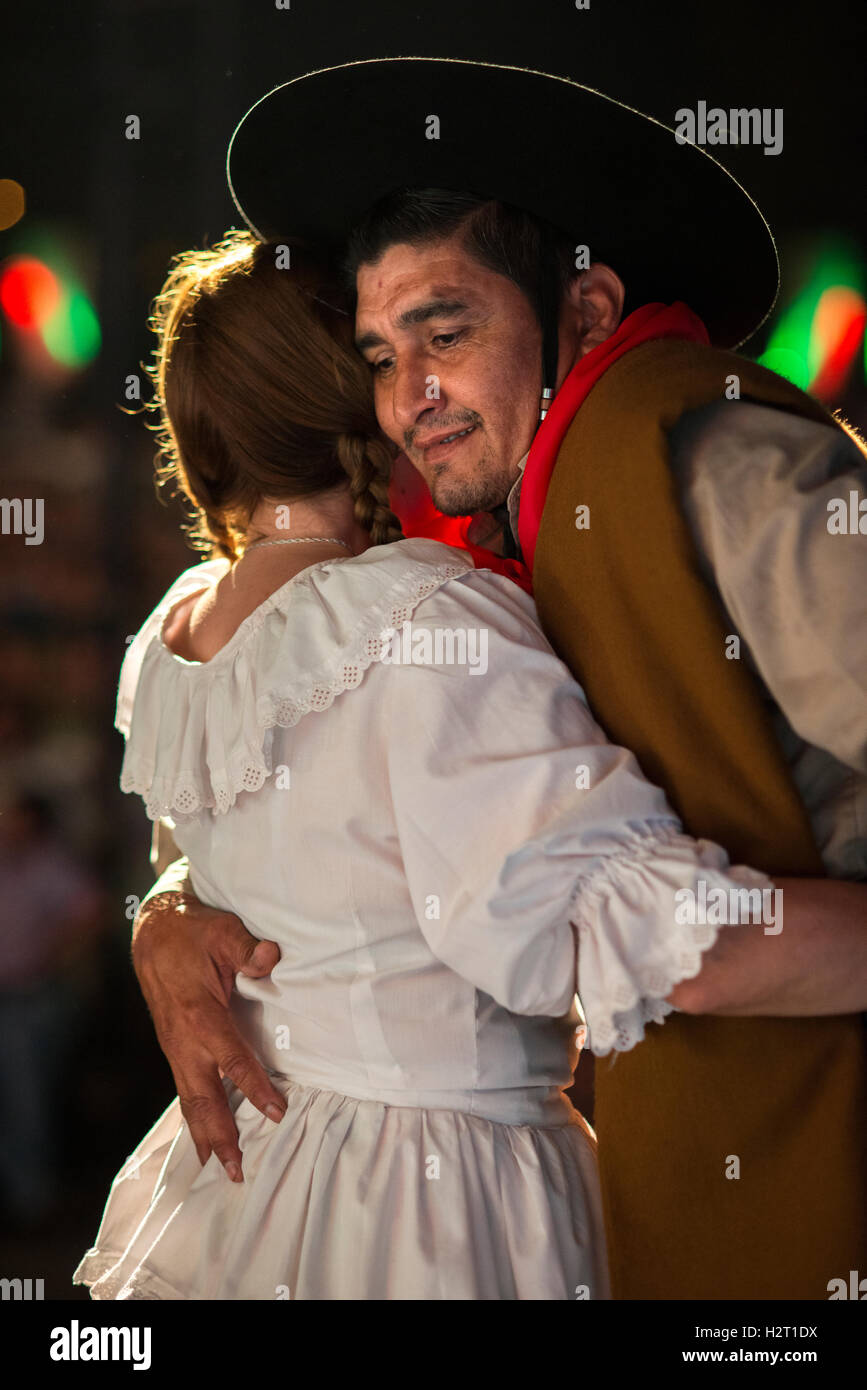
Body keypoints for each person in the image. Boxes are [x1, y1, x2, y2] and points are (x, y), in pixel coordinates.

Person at [124, 59, 867, 1298]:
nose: (413, 397)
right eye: (378, 356)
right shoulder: (469, 564)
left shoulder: (699, 450)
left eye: (447, 333)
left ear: (584, 311)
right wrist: (166, 915)